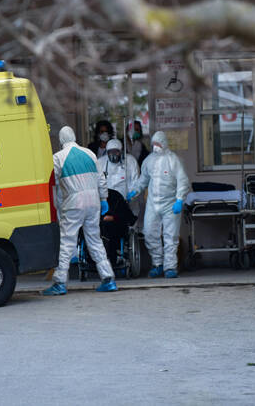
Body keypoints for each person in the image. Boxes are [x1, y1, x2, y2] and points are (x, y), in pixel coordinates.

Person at [44, 126, 118, 295]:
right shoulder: (90, 154)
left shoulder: (58, 158)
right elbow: (101, 179)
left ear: (61, 140)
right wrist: (104, 199)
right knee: (95, 240)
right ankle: (108, 278)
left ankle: (60, 282)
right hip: (93, 202)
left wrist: (57, 205)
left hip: (74, 203)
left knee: (67, 242)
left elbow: (54, 184)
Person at [127, 131, 190, 279]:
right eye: (154, 144)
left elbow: (183, 181)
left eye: (158, 144)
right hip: (153, 204)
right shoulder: (149, 161)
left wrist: (180, 200)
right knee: (149, 233)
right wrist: (135, 190)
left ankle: (170, 267)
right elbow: (143, 180)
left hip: (171, 204)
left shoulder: (174, 160)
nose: (156, 147)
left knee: (170, 236)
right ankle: (157, 263)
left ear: (164, 143)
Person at [97, 139, 140, 265]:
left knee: (125, 224)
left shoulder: (130, 162)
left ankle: (123, 253)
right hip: (106, 201)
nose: (113, 155)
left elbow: (136, 182)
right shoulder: (100, 163)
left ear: (121, 152)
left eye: (116, 152)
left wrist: (131, 195)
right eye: (110, 152)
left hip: (124, 202)